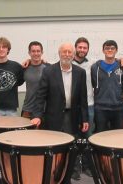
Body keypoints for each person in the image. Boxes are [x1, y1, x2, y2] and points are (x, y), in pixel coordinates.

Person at [31, 43, 89, 183]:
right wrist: (37, 116)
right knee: (55, 148)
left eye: (70, 52)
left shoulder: (80, 72)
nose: (67, 54)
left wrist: (85, 119)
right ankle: (54, 176)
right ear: (59, 53)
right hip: (54, 117)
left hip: (72, 117)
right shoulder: (49, 71)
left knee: (71, 148)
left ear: (73, 54)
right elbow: (41, 96)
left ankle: (67, 177)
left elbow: (83, 98)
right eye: (64, 52)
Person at [91, 40, 123, 133]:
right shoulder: (95, 68)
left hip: (118, 108)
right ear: (103, 50)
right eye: (107, 48)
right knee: (100, 135)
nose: (110, 50)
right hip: (100, 109)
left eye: (112, 48)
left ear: (116, 50)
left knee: (118, 135)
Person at [0, 37, 24, 117]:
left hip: (12, 110)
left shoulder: (16, 67)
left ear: (8, 50)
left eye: (4, 47)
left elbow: (30, 68)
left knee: (12, 130)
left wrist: (29, 60)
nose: (1, 49)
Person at [21, 41, 49, 119]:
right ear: (29, 53)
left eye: (38, 51)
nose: (36, 53)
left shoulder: (48, 68)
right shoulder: (24, 68)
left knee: (44, 132)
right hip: (27, 110)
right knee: (24, 131)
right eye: (33, 51)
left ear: (42, 52)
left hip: (44, 110)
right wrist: (28, 61)